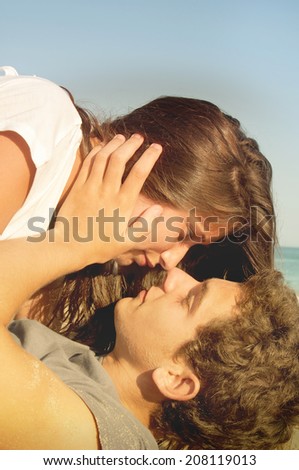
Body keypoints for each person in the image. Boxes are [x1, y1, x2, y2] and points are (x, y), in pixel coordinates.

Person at [0, 141, 298, 450]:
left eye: (190, 299)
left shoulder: (98, 440)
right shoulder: (87, 377)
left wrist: (72, 243)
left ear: (176, 380)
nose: (174, 275)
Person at [0, 66, 276, 333]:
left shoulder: (88, 264)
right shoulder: (43, 121)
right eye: (185, 233)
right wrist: (66, 247)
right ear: (148, 166)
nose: (171, 261)